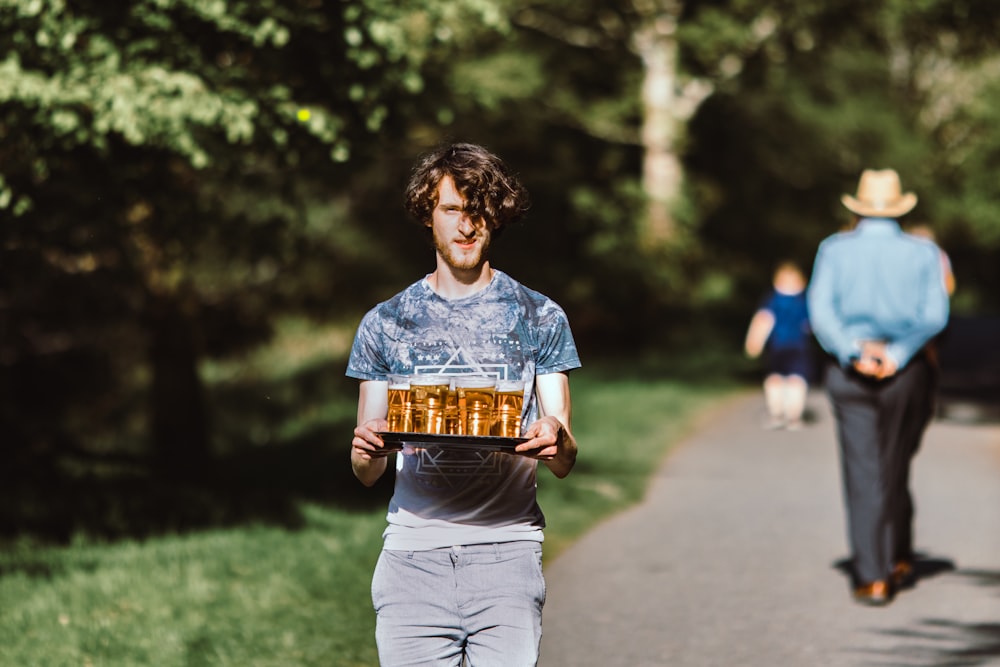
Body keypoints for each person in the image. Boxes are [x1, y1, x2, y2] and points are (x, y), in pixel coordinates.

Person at [347, 142, 581, 665]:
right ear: (428, 215)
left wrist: (554, 435)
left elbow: (564, 458)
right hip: (411, 558)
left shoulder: (541, 316)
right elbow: (365, 469)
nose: (466, 225)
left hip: (508, 553)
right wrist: (367, 446)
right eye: (452, 209)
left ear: (495, 217)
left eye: (478, 210)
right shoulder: (384, 323)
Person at [807, 168, 950, 606]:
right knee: (894, 464)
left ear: (859, 206)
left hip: (848, 370)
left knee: (863, 470)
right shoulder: (924, 252)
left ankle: (873, 575)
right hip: (905, 371)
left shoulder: (833, 249)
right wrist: (898, 354)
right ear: (900, 207)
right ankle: (895, 554)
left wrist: (854, 351)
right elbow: (934, 315)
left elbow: (821, 311)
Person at [743, 261, 814, 430]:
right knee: (796, 380)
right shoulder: (804, 301)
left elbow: (762, 321)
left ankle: (777, 413)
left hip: (778, 346)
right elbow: (811, 325)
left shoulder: (772, 300)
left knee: (775, 379)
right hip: (799, 347)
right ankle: (793, 416)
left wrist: (754, 342)